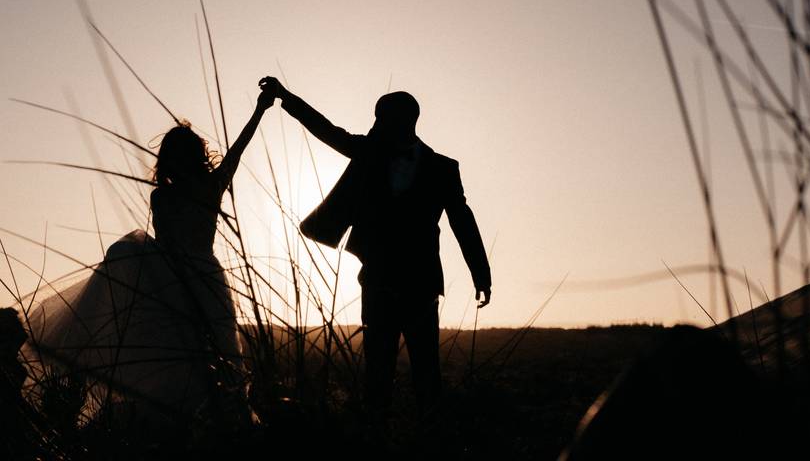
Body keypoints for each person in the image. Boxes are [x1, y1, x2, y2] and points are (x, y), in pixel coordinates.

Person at [23, 89, 275, 432]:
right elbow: (238, 151)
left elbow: (237, 150)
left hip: (175, 282)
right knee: (204, 362)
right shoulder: (202, 187)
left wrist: (260, 110)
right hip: (192, 282)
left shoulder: (178, 192)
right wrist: (260, 109)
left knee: (192, 362)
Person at [258, 76, 491, 431]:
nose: (375, 125)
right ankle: (374, 439)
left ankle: (431, 441)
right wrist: (285, 96)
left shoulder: (443, 168)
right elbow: (327, 130)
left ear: (403, 121)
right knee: (376, 375)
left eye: (381, 119)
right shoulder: (368, 152)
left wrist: (481, 273)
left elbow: (463, 220)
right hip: (377, 282)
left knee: (427, 373)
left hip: (422, 286)